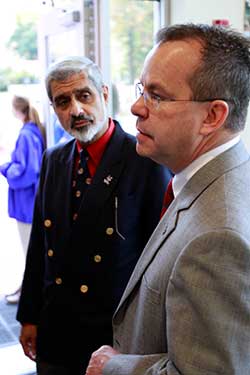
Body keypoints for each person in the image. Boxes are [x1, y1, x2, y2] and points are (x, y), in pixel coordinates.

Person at [86, 23, 250, 375]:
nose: (135, 107)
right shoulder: (215, 178)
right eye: (142, 89)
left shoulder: (218, 236)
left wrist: (114, 368)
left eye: (156, 96)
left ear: (212, 116)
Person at [16, 56, 172, 375]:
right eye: (63, 101)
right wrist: (29, 315)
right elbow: (39, 246)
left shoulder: (145, 160)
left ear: (103, 94)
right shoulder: (54, 160)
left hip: (113, 336)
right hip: (57, 329)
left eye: (83, 96)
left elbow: (160, 262)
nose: (75, 110)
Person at [0, 95, 45, 304]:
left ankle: (29, 294)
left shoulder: (26, 134)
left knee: (30, 251)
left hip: (26, 203)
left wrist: (6, 168)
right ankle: (26, 288)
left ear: (18, 110)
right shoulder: (34, 130)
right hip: (31, 201)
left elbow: (26, 171)